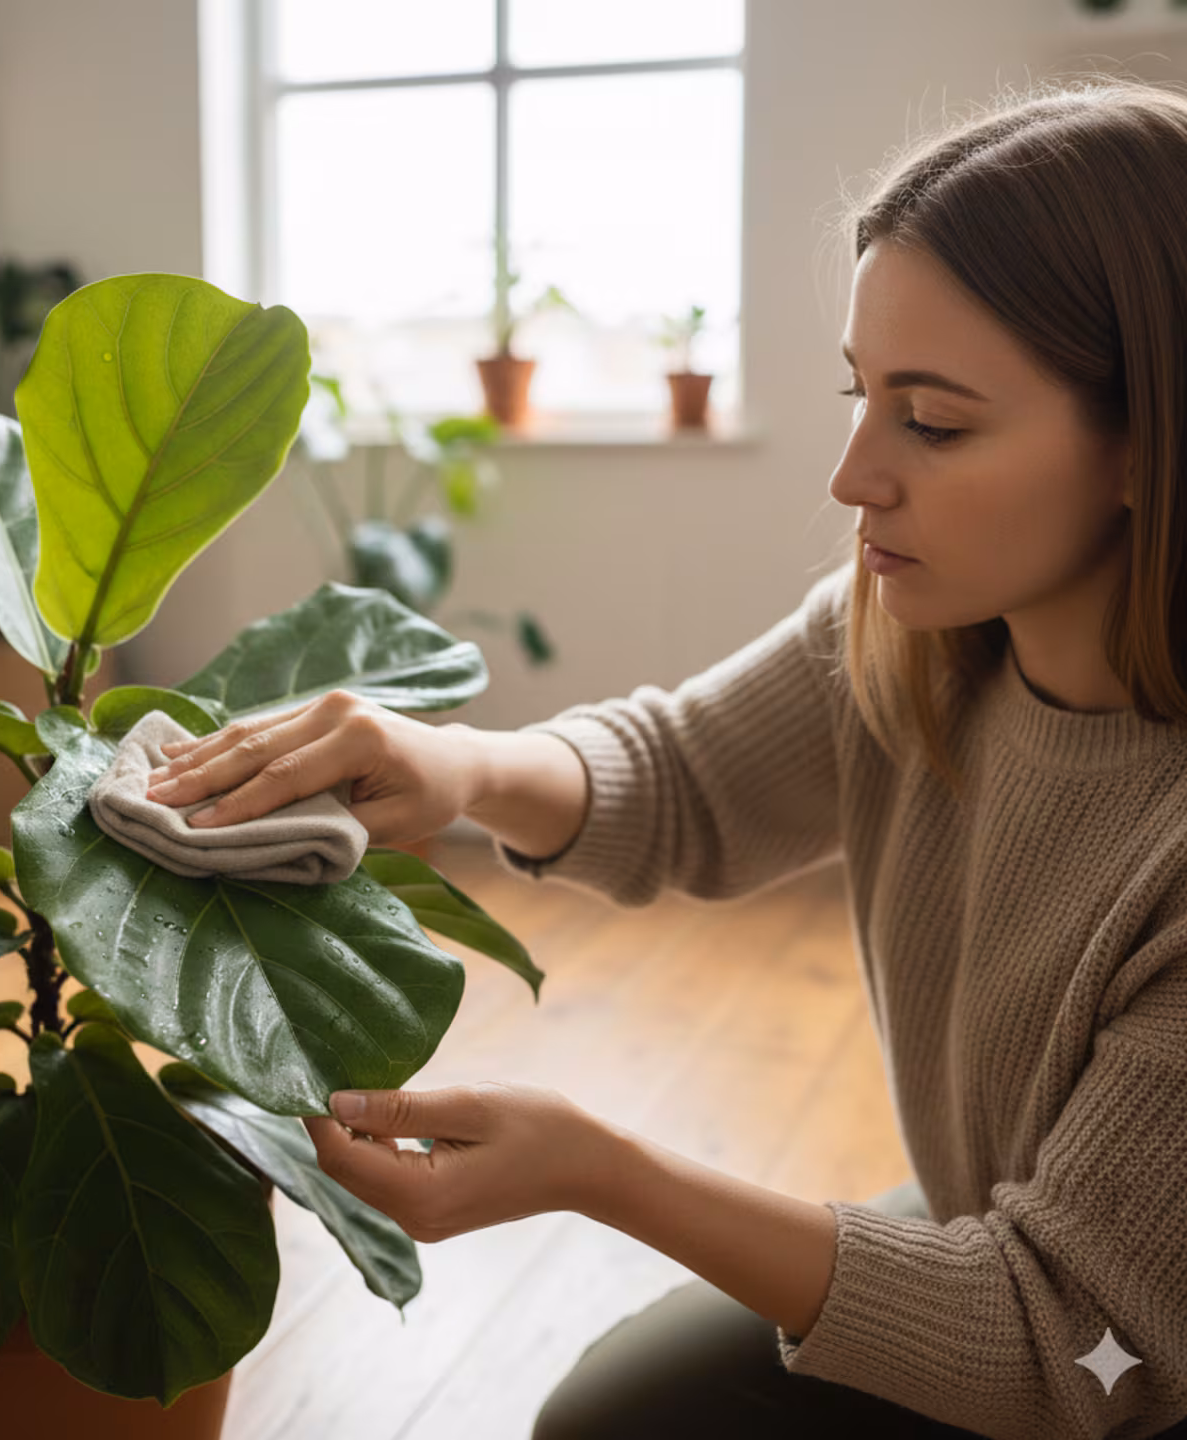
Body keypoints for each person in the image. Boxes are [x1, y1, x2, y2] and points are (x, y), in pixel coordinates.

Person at [141, 78, 1187, 1440]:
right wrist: (459, 767)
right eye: (859, 395)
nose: (853, 474)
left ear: (1143, 442)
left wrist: (600, 1169)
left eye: (932, 421)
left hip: (1115, 1347)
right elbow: (689, 776)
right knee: (608, 1418)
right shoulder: (915, 640)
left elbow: (1067, 1345)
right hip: (1024, 1231)